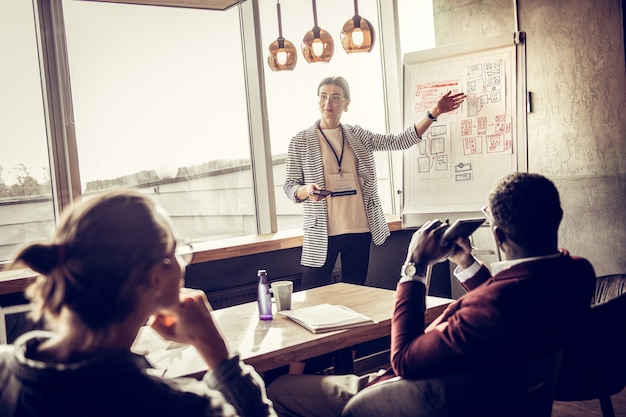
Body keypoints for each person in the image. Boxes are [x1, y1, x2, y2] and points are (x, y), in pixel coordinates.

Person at [267, 172, 596, 417]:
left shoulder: (489, 308)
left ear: (497, 235)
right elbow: (513, 302)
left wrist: (415, 266)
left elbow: (404, 360)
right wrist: (466, 261)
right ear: (557, 218)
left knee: (278, 388)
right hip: (498, 397)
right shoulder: (577, 273)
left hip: (412, 398)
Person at [0, 189, 276, 417]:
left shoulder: (5, 369)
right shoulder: (184, 408)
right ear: (154, 278)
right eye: (176, 251)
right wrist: (216, 352)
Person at [284, 76, 466, 289]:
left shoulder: (357, 135)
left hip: (358, 228)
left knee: (357, 295)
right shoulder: (300, 141)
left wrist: (433, 112)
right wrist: (307, 190)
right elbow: (290, 186)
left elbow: (399, 140)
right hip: (322, 232)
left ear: (346, 103)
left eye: (335, 98)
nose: (328, 103)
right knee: (313, 295)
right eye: (323, 97)